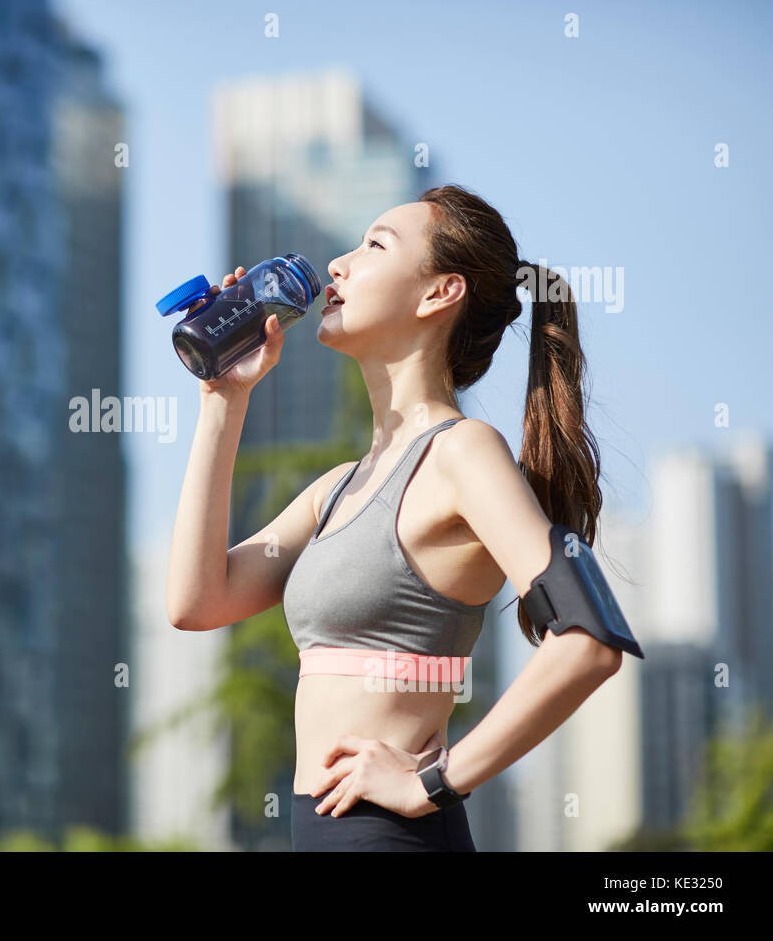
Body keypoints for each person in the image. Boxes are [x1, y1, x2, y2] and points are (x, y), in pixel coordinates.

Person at [165, 184, 640, 851]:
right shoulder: (337, 490)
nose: (339, 263)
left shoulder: (463, 454)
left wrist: (435, 783)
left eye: (375, 245)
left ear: (438, 294)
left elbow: (590, 641)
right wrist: (224, 399)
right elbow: (195, 601)